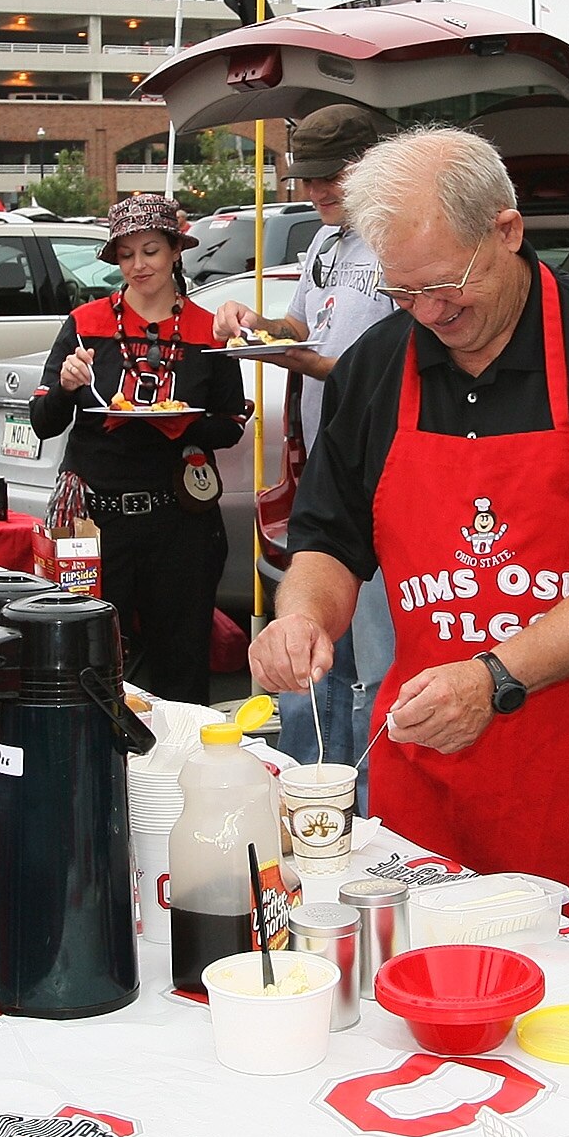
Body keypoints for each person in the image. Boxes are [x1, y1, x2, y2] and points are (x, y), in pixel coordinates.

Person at [247, 129, 569, 985]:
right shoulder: (377, 367)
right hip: (434, 795)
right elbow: (327, 537)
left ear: (507, 231)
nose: (429, 313)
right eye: (404, 291)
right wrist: (300, 620)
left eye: (446, 285)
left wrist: (497, 679)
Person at [212, 103, 393, 775]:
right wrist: (251, 323)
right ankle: (307, 799)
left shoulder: (399, 242)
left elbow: (391, 373)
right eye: (307, 178)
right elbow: (298, 328)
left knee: (375, 668)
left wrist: (299, 362)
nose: (316, 192)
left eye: (331, 177)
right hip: (326, 474)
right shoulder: (324, 242)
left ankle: (374, 817)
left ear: (373, 165)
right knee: (311, 664)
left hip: (385, 478)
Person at [26, 195, 248, 704]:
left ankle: (177, 775)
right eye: (126, 255)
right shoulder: (85, 323)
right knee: (87, 664)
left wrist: (180, 422)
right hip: (96, 522)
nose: (138, 265)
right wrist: (64, 385)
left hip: (181, 524)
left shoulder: (206, 328)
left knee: (182, 665)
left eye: (150, 250)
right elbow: (43, 422)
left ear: (175, 251)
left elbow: (231, 423)